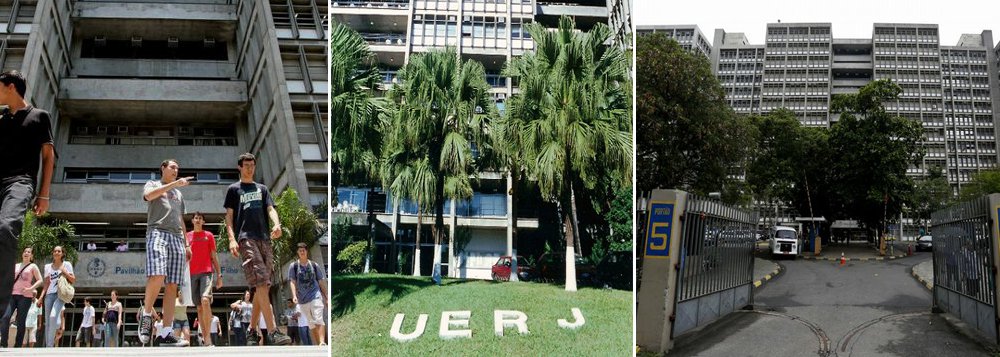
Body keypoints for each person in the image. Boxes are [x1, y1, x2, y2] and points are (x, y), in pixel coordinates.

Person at [0, 70, 55, 315]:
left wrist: (43, 194)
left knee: (5, 228)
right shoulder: (1, 119)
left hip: (20, 182)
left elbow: (48, 156)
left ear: (11, 87)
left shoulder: (39, 116)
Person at [224, 153, 290, 345]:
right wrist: (231, 239)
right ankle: (273, 331)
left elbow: (270, 208)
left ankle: (252, 330)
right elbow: (229, 217)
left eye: (252, 165)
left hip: (265, 238)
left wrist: (276, 224)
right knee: (261, 283)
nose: (250, 168)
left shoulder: (262, 189)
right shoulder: (233, 189)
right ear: (239, 167)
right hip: (246, 238)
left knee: (264, 285)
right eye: (246, 165)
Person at [138, 159, 193, 347]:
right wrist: (173, 184)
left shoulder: (178, 194)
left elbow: (180, 218)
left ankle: (166, 333)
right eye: (172, 167)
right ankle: (146, 316)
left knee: (172, 285)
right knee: (158, 274)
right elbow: (148, 196)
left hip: (177, 238)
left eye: (178, 168)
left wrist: (187, 243)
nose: (176, 170)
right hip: (157, 232)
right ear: (163, 168)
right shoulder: (153, 184)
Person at [187, 211, 222, 347]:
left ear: (203, 222)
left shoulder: (209, 236)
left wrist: (219, 275)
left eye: (200, 218)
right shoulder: (187, 236)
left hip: (206, 272)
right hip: (191, 274)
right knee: (200, 308)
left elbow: (214, 255)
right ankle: (204, 336)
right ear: (192, 221)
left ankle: (208, 338)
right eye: (195, 218)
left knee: (205, 301)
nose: (197, 220)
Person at [0, 247, 42, 347]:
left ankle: (18, 345)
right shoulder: (16, 266)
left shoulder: (33, 266)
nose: (26, 253)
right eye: (25, 251)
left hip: (25, 296)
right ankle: (3, 343)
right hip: (12, 295)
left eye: (29, 252)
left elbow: (40, 280)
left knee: (21, 321)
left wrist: (31, 289)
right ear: (22, 254)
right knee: (5, 318)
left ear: (31, 256)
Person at [288, 243, 328, 345]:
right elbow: (292, 282)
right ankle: (318, 343)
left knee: (318, 318)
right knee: (311, 323)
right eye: (300, 250)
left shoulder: (314, 265)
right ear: (298, 252)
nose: (302, 252)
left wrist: (327, 297)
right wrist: (294, 296)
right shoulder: (294, 266)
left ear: (307, 252)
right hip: (302, 299)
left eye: (304, 250)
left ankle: (322, 342)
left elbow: (321, 282)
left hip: (315, 295)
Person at [39, 245, 74, 347]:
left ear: (62, 253)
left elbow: (73, 280)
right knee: (48, 322)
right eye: (55, 251)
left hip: (60, 295)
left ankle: (51, 343)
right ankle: (49, 346)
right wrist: (41, 297)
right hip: (49, 295)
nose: (56, 252)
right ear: (53, 253)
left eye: (59, 251)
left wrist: (65, 272)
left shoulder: (66, 264)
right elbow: (46, 284)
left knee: (53, 316)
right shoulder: (47, 267)